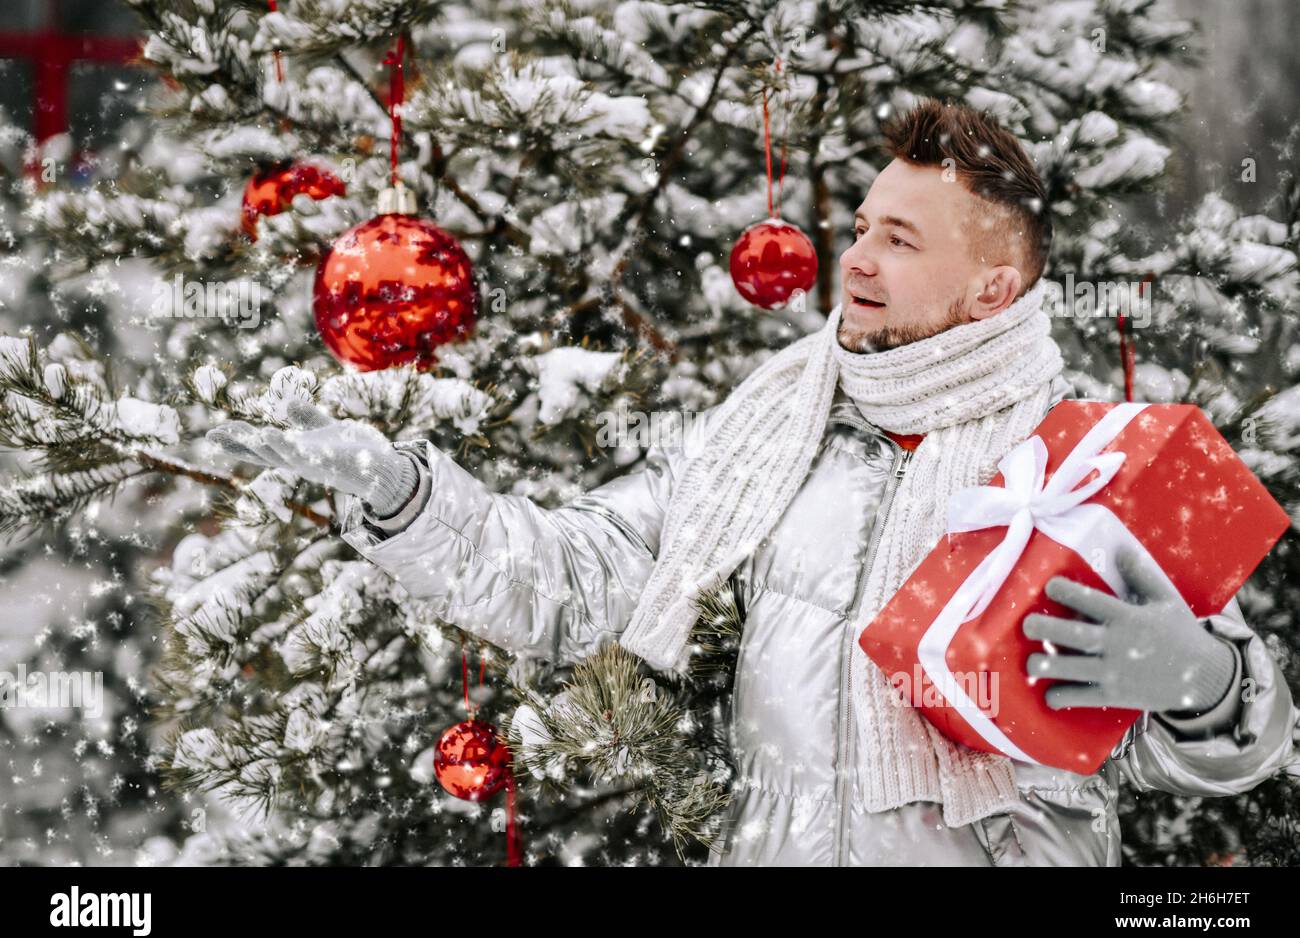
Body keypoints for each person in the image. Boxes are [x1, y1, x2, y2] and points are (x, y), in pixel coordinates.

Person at [208, 99, 1299, 866]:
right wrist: (405, 493)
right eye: (863, 226)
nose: (856, 259)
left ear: (991, 286)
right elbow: (566, 577)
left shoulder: (1086, 468)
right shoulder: (768, 432)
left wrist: (1204, 679)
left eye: (900, 240)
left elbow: (1231, 749)